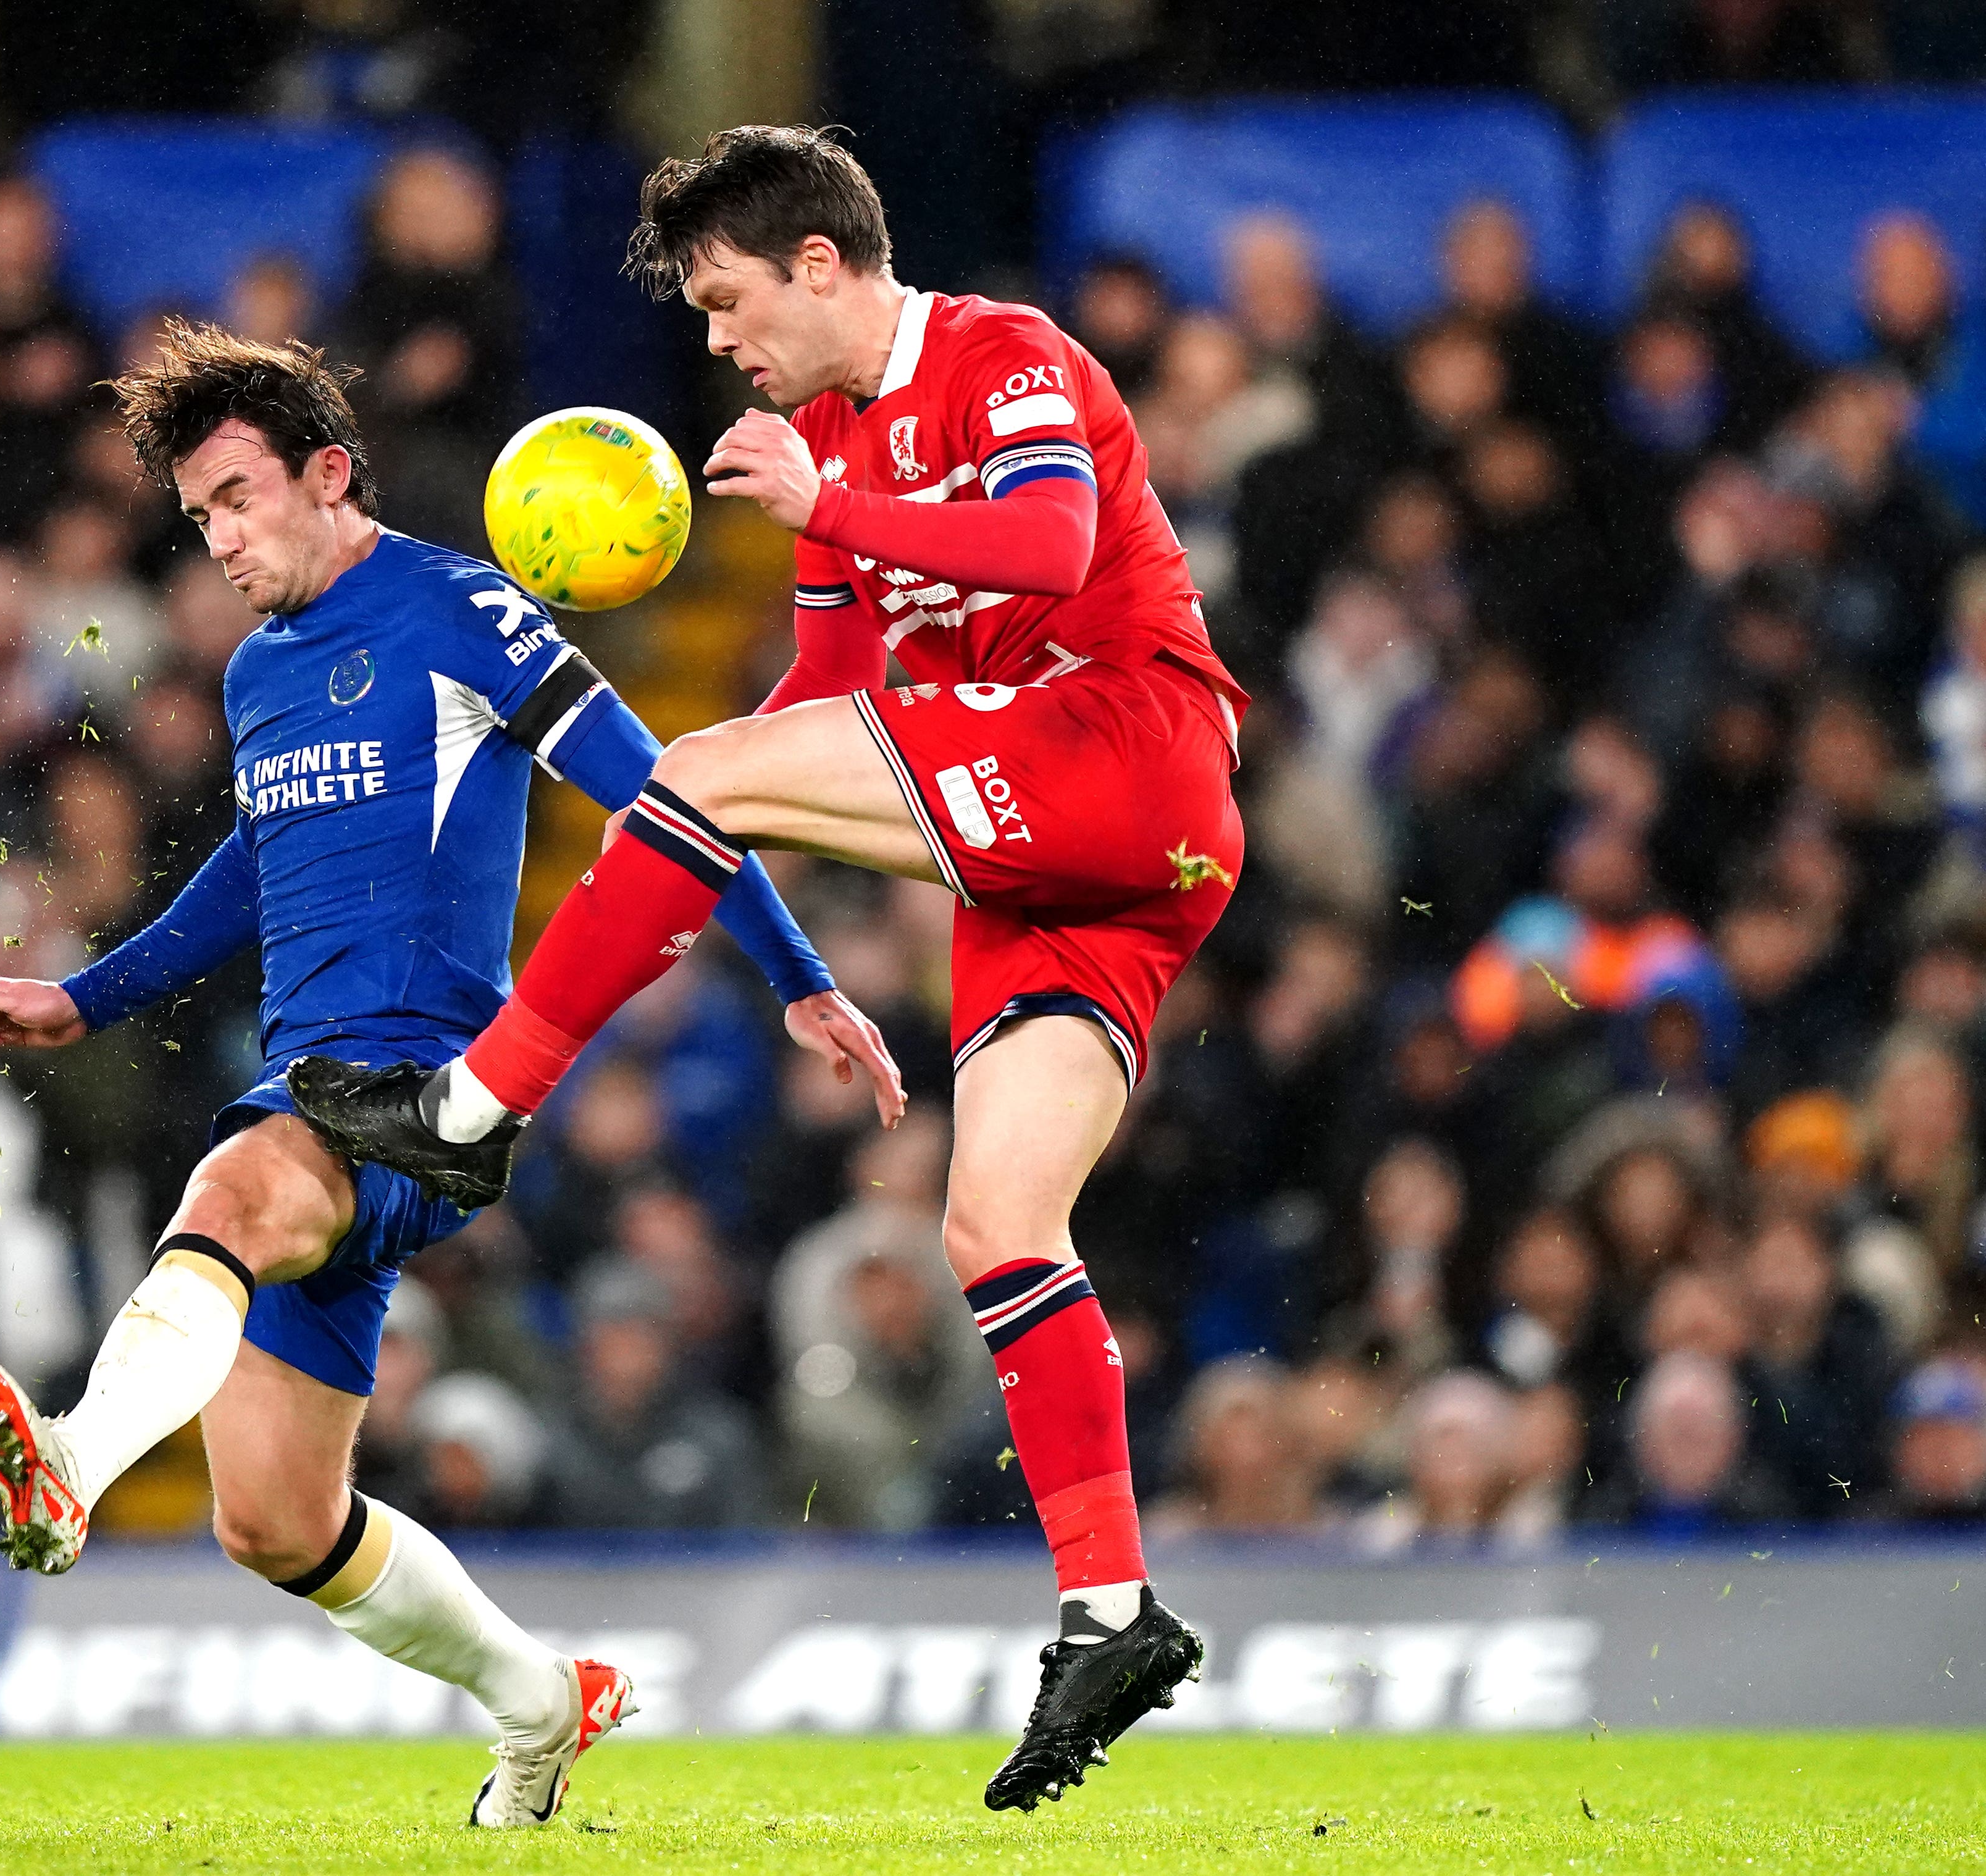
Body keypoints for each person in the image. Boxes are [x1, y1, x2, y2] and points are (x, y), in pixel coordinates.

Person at [288, 123, 1244, 1813]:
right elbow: (815, 697)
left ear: (818, 263)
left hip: (1122, 747)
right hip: (1056, 865)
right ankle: (1111, 1607)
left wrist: (831, 502)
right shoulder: (817, 434)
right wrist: (796, 965)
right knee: (991, 1223)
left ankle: (473, 1101)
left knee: (706, 769)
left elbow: (1043, 550)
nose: (716, 342)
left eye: (728, 301)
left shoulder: (1004, 358)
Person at [0, 320, 896, 1827]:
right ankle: (537, 1701)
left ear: (327, 472)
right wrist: (85, 994)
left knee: (230, 1189)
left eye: (240, 497)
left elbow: (665, 794)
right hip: (322, 1089)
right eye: (198, 518)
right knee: (270, 1518)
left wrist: (801, 977)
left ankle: (74, 1460)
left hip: (433, 1089)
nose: (222, 540)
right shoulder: (255, 673)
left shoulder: (466, 612)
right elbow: (254, 864)